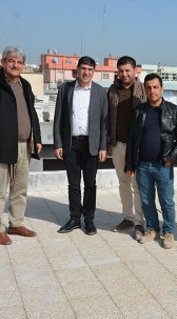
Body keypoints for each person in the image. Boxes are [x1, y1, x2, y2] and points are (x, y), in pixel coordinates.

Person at [125, 73, 177, 249]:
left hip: (163, 165)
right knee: (147, 200)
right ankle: (151, 229)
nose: (152, 91)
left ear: (162, 89)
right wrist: (130, 163)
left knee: (166, 201)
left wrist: (170, 158)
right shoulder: (139, 112)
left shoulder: (173, 111)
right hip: (143, 165)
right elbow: (132, 139)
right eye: (149, 88)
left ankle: (168, 232)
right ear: (145, 90)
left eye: (156, 87)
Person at [53, 56, 108, 236]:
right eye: (83, 68)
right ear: (77, 69)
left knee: (90, 184)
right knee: (73, 184)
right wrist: (58, 143)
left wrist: (103, 146)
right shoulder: (65, 89)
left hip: (91, 145)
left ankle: (89, 220)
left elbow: (103, 122)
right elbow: (59, 118)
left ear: (94, 72)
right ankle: (75, 218)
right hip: (71, 144)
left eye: (90, 69)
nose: (86, 72)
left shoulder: (100, 92)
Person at [0, 45, 42, 245]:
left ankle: (16, 223)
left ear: (24, 65)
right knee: (0, 190)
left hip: (24, 145)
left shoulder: (25, 85)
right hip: (3, 145)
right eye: (11, 61)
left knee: (20, 187)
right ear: (2, 62)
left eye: (19, 62)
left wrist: (38, 139)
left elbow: (32, 113)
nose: (15, 65)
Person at [108, 56, 146, 240]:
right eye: (121, 71)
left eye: (127, 70)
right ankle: (127, 218)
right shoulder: (112, 90)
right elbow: (107, 117)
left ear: (135, 71)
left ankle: (140, 222)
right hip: (118, 145)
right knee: (123, 184)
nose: (124, 74)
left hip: (137, 147)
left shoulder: (143, 89)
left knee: (137, 185)